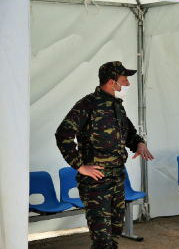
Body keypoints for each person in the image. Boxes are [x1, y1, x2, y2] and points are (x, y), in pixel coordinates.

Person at [55, 61, 154, 249]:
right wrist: (79, 166)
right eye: (124, 80)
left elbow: (130, 133)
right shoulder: (87, 105)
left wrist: (139, 144)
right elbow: (63, 133)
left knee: (115, 235)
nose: (128, 84)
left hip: (117, 180)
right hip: (96, 184)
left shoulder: (117, 106)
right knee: (102, 241)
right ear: (111, 81)